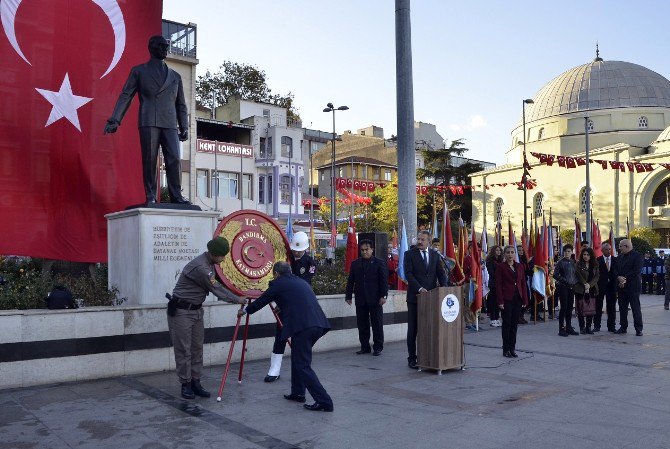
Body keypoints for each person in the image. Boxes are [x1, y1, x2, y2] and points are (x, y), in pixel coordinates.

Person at [104, 36, 190, 205]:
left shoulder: (175, 76)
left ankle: (176, 196)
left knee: (174, 158)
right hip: (149, 120)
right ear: (151, 48)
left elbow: (181, 105)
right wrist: (115, 119)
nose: (165, 48)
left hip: (170, 122)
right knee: (150, 160)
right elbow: (126, 95)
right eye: (161, 46)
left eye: (166, 46)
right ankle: (150, 195)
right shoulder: (139, 71)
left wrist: (184, 125)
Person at [239, 262, 333, 412]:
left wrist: (244, 311)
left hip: (304, 327)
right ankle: (298, 393)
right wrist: (282, 305)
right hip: (318, 324)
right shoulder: (299, 281)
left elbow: (262, 301)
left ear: (276, 273)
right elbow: (297, 300)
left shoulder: (278, 284)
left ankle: (324, 401)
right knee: (298, 359)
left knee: (302, 365)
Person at [168, 237, 247, 399]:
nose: (223, 259)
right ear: (213, 254)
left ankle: (196, 382)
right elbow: (216, 288)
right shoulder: (201, 268)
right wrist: (238, 299)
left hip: (196, 310)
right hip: (182, 311)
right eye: (221, 256)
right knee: (184, 349)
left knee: (197, 348)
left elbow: (222, 282)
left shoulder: (210, 264)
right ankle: (185, 384)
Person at [263, 231, 317, 383]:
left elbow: (305, 282)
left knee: (300, 340)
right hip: (284, 304)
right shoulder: (287, 260)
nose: (295, 251)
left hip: (300, 305)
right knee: (280, 336)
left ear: (305, 248)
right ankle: (274, 370)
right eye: (294, 249)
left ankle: (302, 369)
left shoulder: (310, 263)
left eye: (298, 250)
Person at [403, 230, 448, 369]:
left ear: (429, 241)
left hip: (432, 298)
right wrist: (419, 288)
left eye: (423, 239)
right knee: (413, 329)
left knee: (429, 328)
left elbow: (440, 273)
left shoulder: (435, 255)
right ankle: (412, 358)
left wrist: (445, 288)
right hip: (415, 298)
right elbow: (408, 274)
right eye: (418, 239)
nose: (420, 242)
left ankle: (428, 356)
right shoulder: (409, 254)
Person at [345, 240, 388, 356]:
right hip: (360, 298)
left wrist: (384, 296)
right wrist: (348, 295)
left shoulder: (379, 263)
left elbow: (383, 281)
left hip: (375, 299)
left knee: (377, 324)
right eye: (362, 250)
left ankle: (378, 347)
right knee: (362, 324)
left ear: (372, 249)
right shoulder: (355, 264)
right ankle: (365, 347)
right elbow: (351, 281)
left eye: (367, 250)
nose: (364, 252)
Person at [495, 245, 529, 357]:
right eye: (508, 252)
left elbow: (523, 283)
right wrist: (500, 301)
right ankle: (506, 350)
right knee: (507, 324)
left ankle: (512, 349)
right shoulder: (501, 267)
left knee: (514, 324)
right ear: (504, 254)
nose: (510, 254)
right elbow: (498, 285)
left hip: (517, 299)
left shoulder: (519, 266)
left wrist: (524, 298)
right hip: (506, 299)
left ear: (515, 254)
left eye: (512, 252)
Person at [614, 239, 644, 336]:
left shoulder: (638, 256)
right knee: (622, 309)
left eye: (620, 246)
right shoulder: (619, 257)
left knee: (635, 308)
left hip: (633, 287)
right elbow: (614, 269)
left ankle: (638, 329)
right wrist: (618, 277)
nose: (619, 248)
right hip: (621, 287)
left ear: (626, 246)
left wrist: (624, 279)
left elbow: (636, 271)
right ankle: (623, 327)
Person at [554, 244, 579, 337]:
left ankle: (569, 327)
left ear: (571, 252)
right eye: (565, 251)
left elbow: (575, 274)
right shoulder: (560, 262)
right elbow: (555, 275)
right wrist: (565, 281)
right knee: (563, 307)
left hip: (571, 287)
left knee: (569, 308)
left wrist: (575, 282)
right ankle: (561, 328)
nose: (567, 253)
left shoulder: (573, 262)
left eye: (568, 251)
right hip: (563, 287)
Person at [574, 247, 599, 334]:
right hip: (580, 289)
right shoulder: (578, 264)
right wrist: (585, 284)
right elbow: (578, 275)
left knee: (590, 310)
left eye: (588, 255)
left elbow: (597, 277)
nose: (586, 256)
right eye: (584, 254)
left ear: (591, 256)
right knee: (581, 309)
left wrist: (589, 285)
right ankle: (582, 327)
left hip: (592, 289)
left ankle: (588, 327)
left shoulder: (595, 265)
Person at [596, 242, 618, 332]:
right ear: (602, 250)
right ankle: (597, 326)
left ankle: (611, 326)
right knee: (598, 307)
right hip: (601, 286)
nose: (608, 251)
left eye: (609, 249)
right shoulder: (598, 260)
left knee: (611, 307)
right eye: (606, 249)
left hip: (612, 287)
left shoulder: (615, 260)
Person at [485, 245, 503, 327]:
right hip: (493, 283)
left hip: (500, 283)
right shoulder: (489, 260)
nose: (498, 252)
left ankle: (496, 318)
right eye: (496, 250)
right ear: (493, 251)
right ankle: (492, 319)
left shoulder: (500, 260)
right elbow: (491, 273)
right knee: (493, 301)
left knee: (498, 302)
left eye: (499, 250)